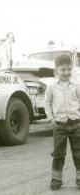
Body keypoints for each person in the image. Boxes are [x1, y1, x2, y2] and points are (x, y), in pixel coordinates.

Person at [45, 54, 80, 190]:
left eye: (69, 69)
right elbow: (47, 103)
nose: (66, 72)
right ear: (56, 72)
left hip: (76, 124)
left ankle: (79, 177)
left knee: (78, 152)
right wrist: (50, 118)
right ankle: (56, 179)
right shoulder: (51, 87)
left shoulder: (76, 86)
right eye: (63, 70)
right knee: (58, 153)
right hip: (59, 125)